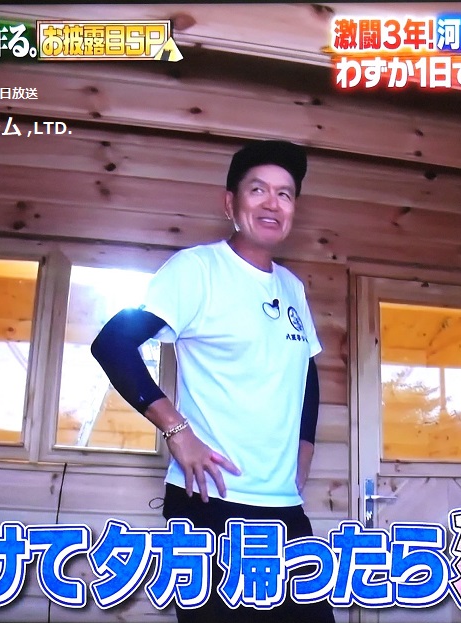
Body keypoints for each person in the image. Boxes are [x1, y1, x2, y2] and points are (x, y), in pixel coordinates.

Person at [91, 140, 333, 622]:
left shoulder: (292, 287)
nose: (272, 203)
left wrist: (303, 451)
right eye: (257, 190)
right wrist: (177, 431)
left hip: (283, 508)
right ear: (230, 203)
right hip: (210, 505)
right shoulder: (197, 269)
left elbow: (305, 370)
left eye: (285, 194)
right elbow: (113, 344)